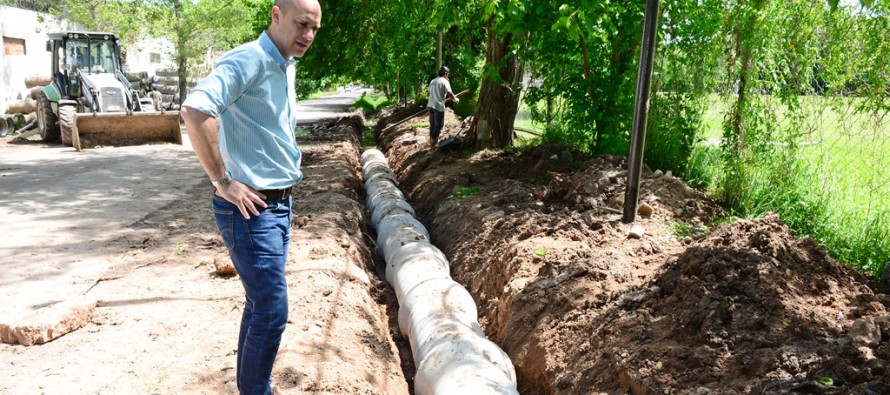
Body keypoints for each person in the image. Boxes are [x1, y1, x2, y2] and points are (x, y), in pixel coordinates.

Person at [179, 0, 321, 393]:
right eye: (301, 24)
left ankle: (252, 388)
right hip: (250, 210)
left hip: (276, 206)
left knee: (260, 305)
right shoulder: (251, 60)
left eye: (314, 28)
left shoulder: (283, 63)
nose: (308, 35)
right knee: (273, 311)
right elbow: (195, 110)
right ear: (276, 15)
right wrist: (223, 179)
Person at [426, 66, 459, 148]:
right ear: (445, 73)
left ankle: (432, 143)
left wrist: (434, 96)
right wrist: (455, 99)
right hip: (438, 106)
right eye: (447, 74)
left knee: (433, 125)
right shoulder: (445, 81)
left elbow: (428, 94)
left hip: (430, 105)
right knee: (440, 126)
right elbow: (450, 94)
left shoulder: (433, 81)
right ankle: (434, 141)